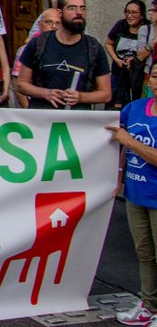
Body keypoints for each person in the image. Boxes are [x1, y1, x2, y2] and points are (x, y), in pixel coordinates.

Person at [107, 61, 157, 327]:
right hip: (136, 193)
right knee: (145, 253)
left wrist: (130, 141)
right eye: (156, 75)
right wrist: (117, 179)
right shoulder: (135, 109)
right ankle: (149, 305)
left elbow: (127, 142)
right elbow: (116, 142)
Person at [16, 0, 111, 109]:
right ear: (59, 13)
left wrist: (80, 97)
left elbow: (106, 94)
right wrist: (46, 93)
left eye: (82, 8)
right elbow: (21, 84)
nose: (79, 13)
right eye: (72, 8)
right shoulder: (38, 43)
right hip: (42, 120)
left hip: (78, 122)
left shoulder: (94, 47)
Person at [108, 0, 152, 108]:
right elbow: (108, 43)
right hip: (118, 73)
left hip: (137, 75)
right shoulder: (120, 25)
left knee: (137, 106)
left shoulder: (147, 29)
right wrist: (116, 59)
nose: (129, 16)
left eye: (133, 12)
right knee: (115, 106)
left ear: (141, 15)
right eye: (127, 12)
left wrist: (134, 61)